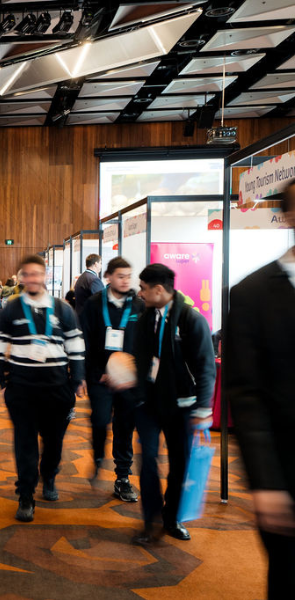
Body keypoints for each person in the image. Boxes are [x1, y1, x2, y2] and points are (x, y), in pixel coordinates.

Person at [227, 180, 295, 598]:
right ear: (288, 218)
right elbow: (246, 397)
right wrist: (265, 483)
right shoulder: (251, 294)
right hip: (286, 475)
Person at [0, 255, 85, 523]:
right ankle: (26, 495)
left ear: (44, 276)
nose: (32, 279)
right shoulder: (12, 308)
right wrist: (1, 380)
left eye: (36, 274)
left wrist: (77, 380)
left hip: (57, 389)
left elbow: (76, 346)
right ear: (21, 278)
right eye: (26, 274)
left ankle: (50, 475)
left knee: (54, 443)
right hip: (22, 389)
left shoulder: (62, 308)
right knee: (25, 443)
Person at [131, 263, 215, 544]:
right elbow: (141, 358)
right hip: (149, 406)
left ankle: (171, 518)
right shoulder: (145, 318)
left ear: (158, 289)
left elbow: (205, 367)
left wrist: (203, 408)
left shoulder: (192, 320)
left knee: (180, 464)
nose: (139, 293)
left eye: (143, 288)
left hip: (183, 407)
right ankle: (150, 520)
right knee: (148, 463)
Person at [80, 256, 144, 502]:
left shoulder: (138, 306)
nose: (125, 280)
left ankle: (122, 477)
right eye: (120, 276)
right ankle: (97, 457)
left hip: (129, 380)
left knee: (125, 427)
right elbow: (85, 341)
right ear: (107, 277)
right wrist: (92, 373)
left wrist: (133, 372)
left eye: (129, 276)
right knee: (99, 421)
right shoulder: (95, 305)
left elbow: (144, 344)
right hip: (100, 378)